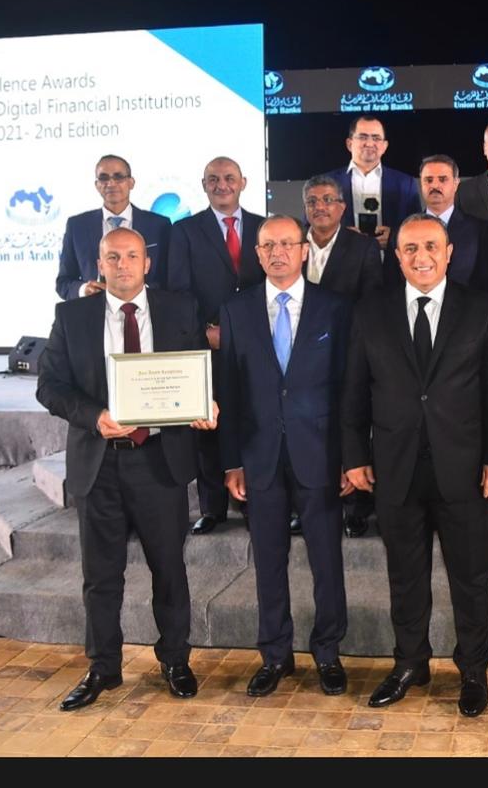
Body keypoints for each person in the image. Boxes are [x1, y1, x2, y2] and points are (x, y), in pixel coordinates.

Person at [341, 213, 488, 718]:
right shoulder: (370, 311)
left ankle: (473, 671)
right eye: (411, 248)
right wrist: (354, 457)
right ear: (397, 256)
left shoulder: (481, 308)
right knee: (405, 577)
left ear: (449, 253)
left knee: (472, 579)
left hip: (466, 471)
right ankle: (410, 663)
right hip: (394, 469)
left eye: (431, 247)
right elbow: (353, 390)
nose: (422, 257)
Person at [36, 226, 217, 711]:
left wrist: (207, 400)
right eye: (112, 257)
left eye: (132, 256)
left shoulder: (179, 309)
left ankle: (175, 660)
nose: (122, 265)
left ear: (147, 263)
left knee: (169, 569)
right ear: (99, 264)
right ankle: (103, 667)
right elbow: (49, 386)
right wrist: (94, 416)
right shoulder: (72, 316)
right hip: (100, 464)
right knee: (100, 576)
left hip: (160, 460)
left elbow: (201, 369)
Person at [216, 215, 352, 698]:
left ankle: (328, 653)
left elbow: (348, 388)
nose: (277, 253)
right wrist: (232, 461)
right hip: (260, 457)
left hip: (320, 455)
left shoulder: (335, 308)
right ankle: (275, 655)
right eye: (268, 245)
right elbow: (229, 389)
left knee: (326, 561)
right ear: (257, 254)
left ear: (304, 250)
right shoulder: (235, 310)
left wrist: (351, 457)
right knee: (269, 562)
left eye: (287, 244)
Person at [168, 157, 265, 534]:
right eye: (213, 179)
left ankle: (256, 500)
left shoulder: (263, 226)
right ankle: (212, 508)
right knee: (208, 422)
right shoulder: (184, 231)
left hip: (257, 343)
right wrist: (202, 332)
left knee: (254, 419)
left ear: (243, 182)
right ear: (203, 184)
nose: (221, 185)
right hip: (207, 343)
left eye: (228, 178)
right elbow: (177, 292)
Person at [300, 174, 383, 539]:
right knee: (307, 432)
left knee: (349, 426)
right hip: (298, 359)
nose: (320, 207)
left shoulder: (363, 247)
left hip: (347, 354)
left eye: (327, 200)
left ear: (342, 206)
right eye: (313, 201)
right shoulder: (291, 243)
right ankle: (308, 506)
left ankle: (356, 508)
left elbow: (372, 302)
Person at [55, 154, 171, 300]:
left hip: (147, 309)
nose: (111, 183)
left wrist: (141, 292)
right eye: (104, 178)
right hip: (93, 309)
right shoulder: (77, 226)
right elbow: (63, 283)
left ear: (131, 182)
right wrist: (85, 290)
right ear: (97, 185)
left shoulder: (159, 225)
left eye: (118, 177)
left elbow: (170, 278)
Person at [383, 155, 488, 292]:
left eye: (442, 179)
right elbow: (391, 283)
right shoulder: (400, 231)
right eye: (428, 180)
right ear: (421, 184)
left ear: (456, 183)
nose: (435, 185)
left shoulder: (479, 230)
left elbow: (486, 281)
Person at [324, 116, 423, 251]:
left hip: (390, 260)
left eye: (376, 138)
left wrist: (394, 237)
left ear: (384, 146)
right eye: (363, 137)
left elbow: (418, 227)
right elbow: (311, 228)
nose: (369, 143)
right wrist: (340, 235)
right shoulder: (326, 183)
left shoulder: (406, 183)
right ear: (349, 144)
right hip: (343, 259)